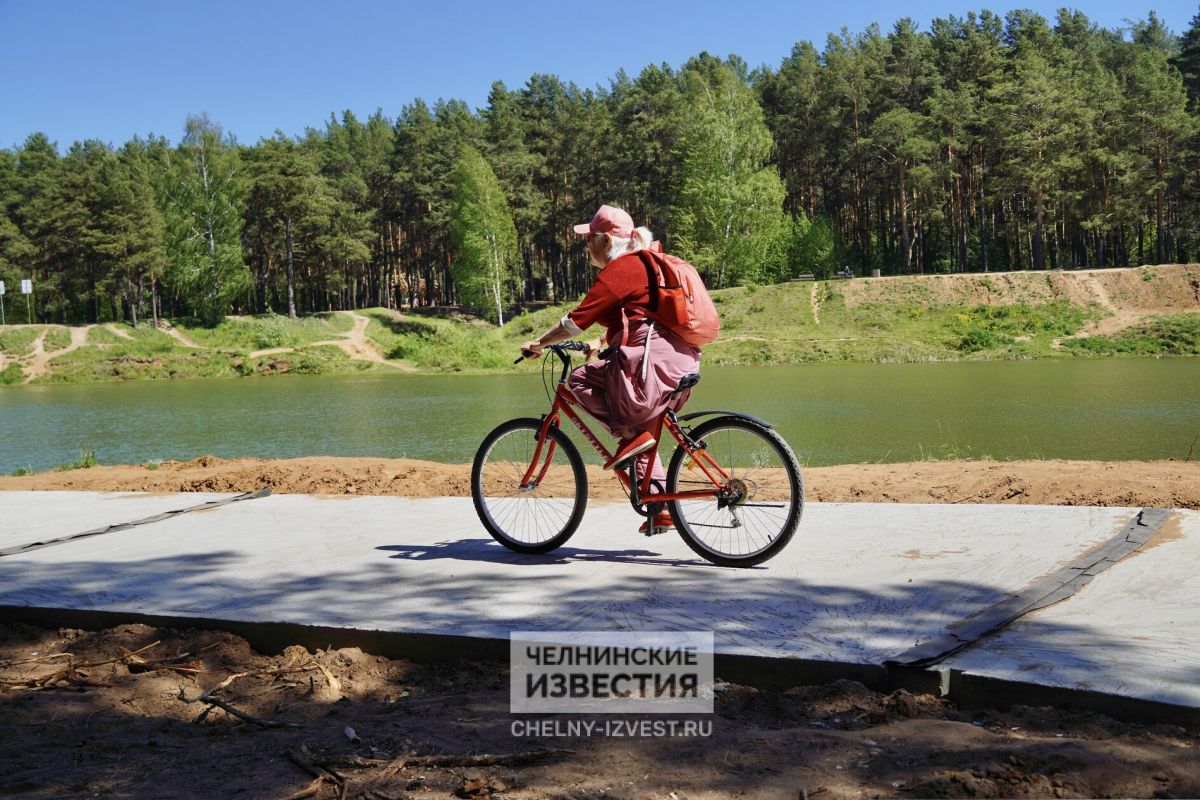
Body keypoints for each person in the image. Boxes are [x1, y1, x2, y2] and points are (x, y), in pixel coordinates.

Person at [520, 205, 703, 534]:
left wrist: (540, 343)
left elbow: (575, 320)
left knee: (578, 380)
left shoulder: (623, 268)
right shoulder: (645, 263)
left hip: (652, 363)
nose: (586, 244)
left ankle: (627, 440)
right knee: (643, 434)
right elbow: (638, 316)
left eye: (589, 238)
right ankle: (661, 509)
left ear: (604, 241)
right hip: (676, 359)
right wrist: (600, 342)